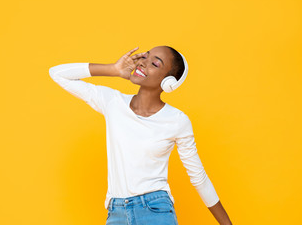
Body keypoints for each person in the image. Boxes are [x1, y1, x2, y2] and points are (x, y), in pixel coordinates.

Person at [49, 46, 232, 225]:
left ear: (168, 83)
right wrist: (113, 69)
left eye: (155, 63)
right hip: (116, 212)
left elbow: (198, 177)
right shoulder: (113, 102)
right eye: (145, 56)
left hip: (155, 210)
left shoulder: (177, 121)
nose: (143, 63)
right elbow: (56, 73)